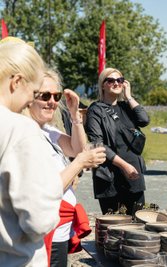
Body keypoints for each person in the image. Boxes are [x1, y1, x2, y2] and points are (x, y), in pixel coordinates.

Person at [26, 69, 106, 267]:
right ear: (28, 97)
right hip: (45, 228)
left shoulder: (47, 130)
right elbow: (48, 188)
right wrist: (80, 162)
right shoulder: (27, 134)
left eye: (56, 96)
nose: (52, 101)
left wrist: (75, 116)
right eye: (45, 96)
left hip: (59, 225)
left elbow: (77, 148)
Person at [0, 40, 63, 266]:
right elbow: (38, 221)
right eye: (35, 92)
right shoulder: (20, 129)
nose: (30, 101)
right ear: (16, 81)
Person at [85, 67, 150, 215]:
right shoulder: (95, 110)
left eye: (120, 80)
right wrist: (123, 166)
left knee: (137, 225)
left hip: (134, 176)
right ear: (103, 84)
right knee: (113, 229)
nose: (116, 83)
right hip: (110, 178)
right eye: (111, 80)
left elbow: (144, 120)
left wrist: (129, 97)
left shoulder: (126, 107)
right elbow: (98, 144)